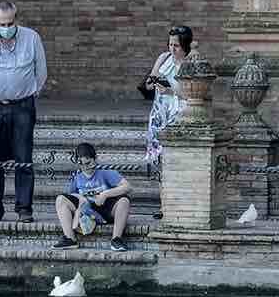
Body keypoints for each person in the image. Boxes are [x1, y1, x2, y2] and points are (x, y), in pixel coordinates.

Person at [0, 0, 47, 224]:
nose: (6, 26)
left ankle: (24, 208)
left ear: (17, 19)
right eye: (1, 23)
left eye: (10, 22)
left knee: (23, 158)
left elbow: (40, 70)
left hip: (22, 106)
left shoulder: (31, 38)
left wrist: (30, 92)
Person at [143, 25, 191, 219]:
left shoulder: (190, 63)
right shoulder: (163, 58)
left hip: (178, 114)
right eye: (170, 44)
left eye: (177, 46)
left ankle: (179, 205)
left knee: (177, 161)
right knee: (161, 163)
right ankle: (164, 206)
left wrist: (171, 90)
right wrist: (153, 81)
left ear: (185, 46)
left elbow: (193, 92)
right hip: (159, 113)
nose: (172, 49)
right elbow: (148, 82)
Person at [52, 143, 132, 252]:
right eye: (81, 164)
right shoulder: (77, 178)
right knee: (60, 199)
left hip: (105, 209)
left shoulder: (105, 173)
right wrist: (80, 198)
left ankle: (116, 239)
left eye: (88, 163)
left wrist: (105, 194)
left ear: (95, 159)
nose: (85, 167)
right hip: (87, 211)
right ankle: (69, 238)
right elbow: (69, 194)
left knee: (124, 201)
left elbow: (127, 186)